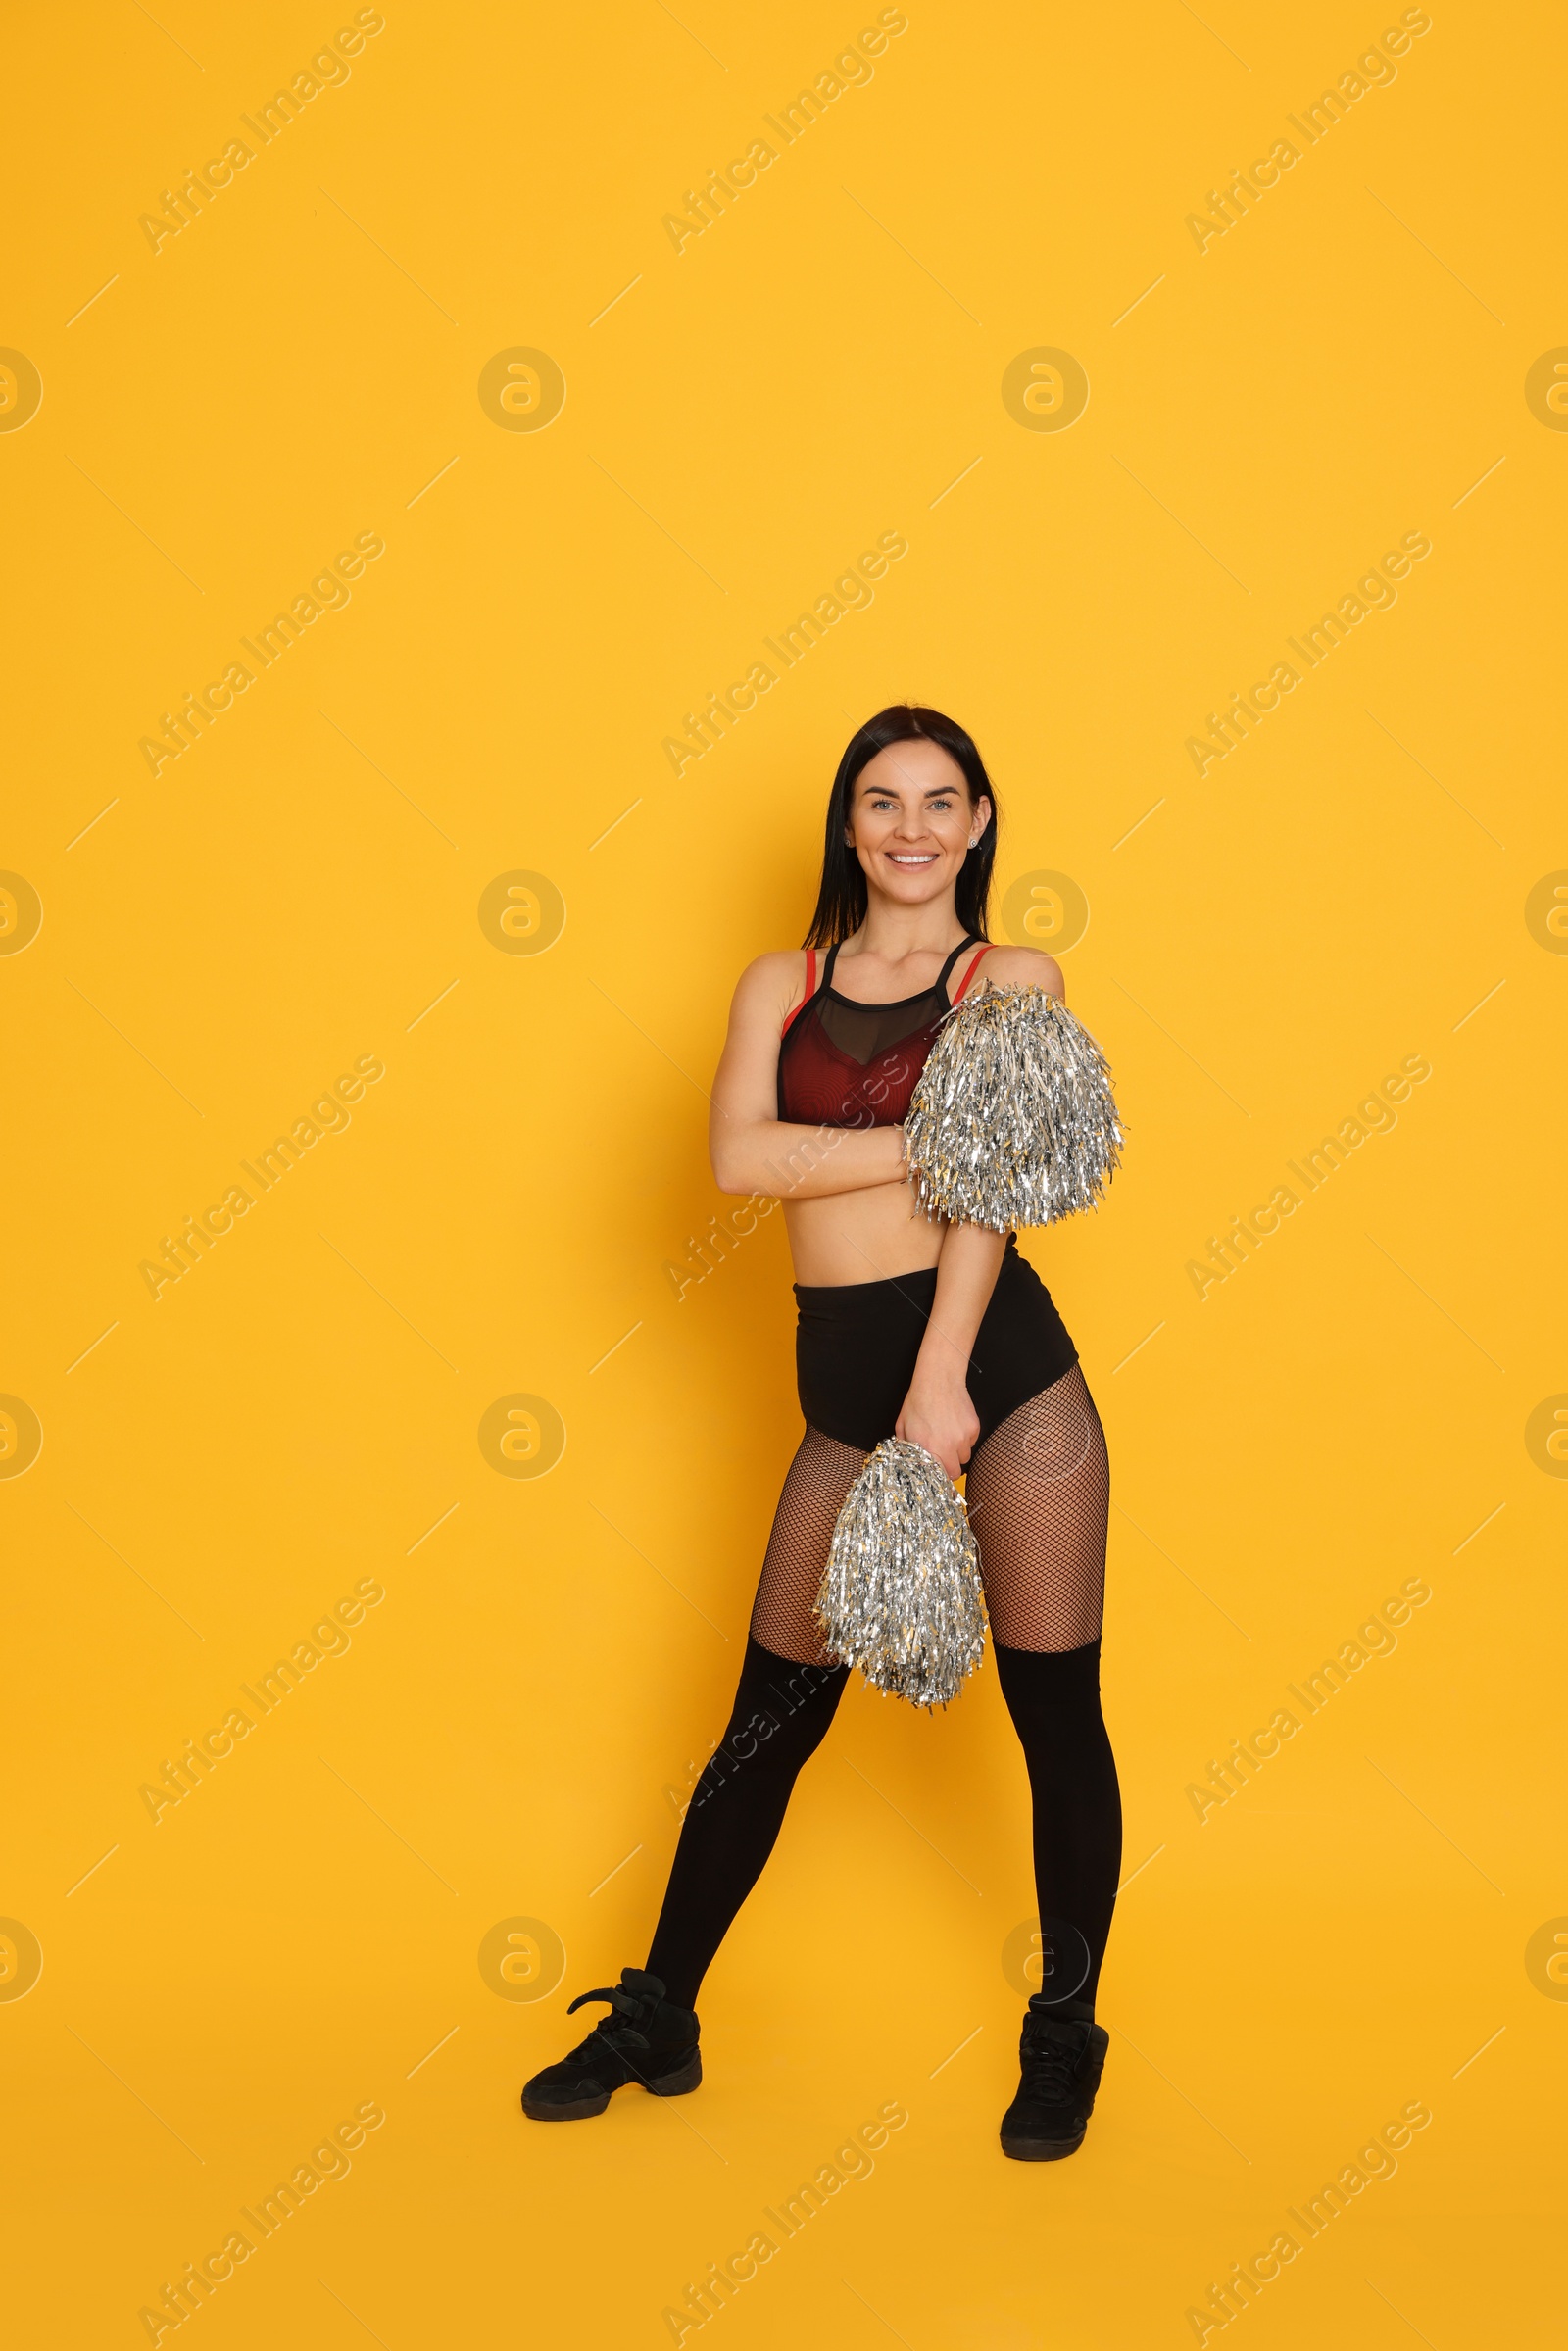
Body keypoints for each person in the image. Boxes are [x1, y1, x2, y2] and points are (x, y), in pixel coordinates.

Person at [523, 705, 1122, 2161]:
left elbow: (997, 1196)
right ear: (849, 827)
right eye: (881, 801)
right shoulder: (779, 985)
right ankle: (662, 2010)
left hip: (1001, 1381)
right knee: (769, 1719)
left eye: (939, 801)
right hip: (840, 1401)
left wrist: (942, 1390)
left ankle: (1065, 2035)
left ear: (980, 821)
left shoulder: (1012, 975)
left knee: (1053, 1718)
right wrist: (943, 1131)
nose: (911, 828)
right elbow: (739, 1157)